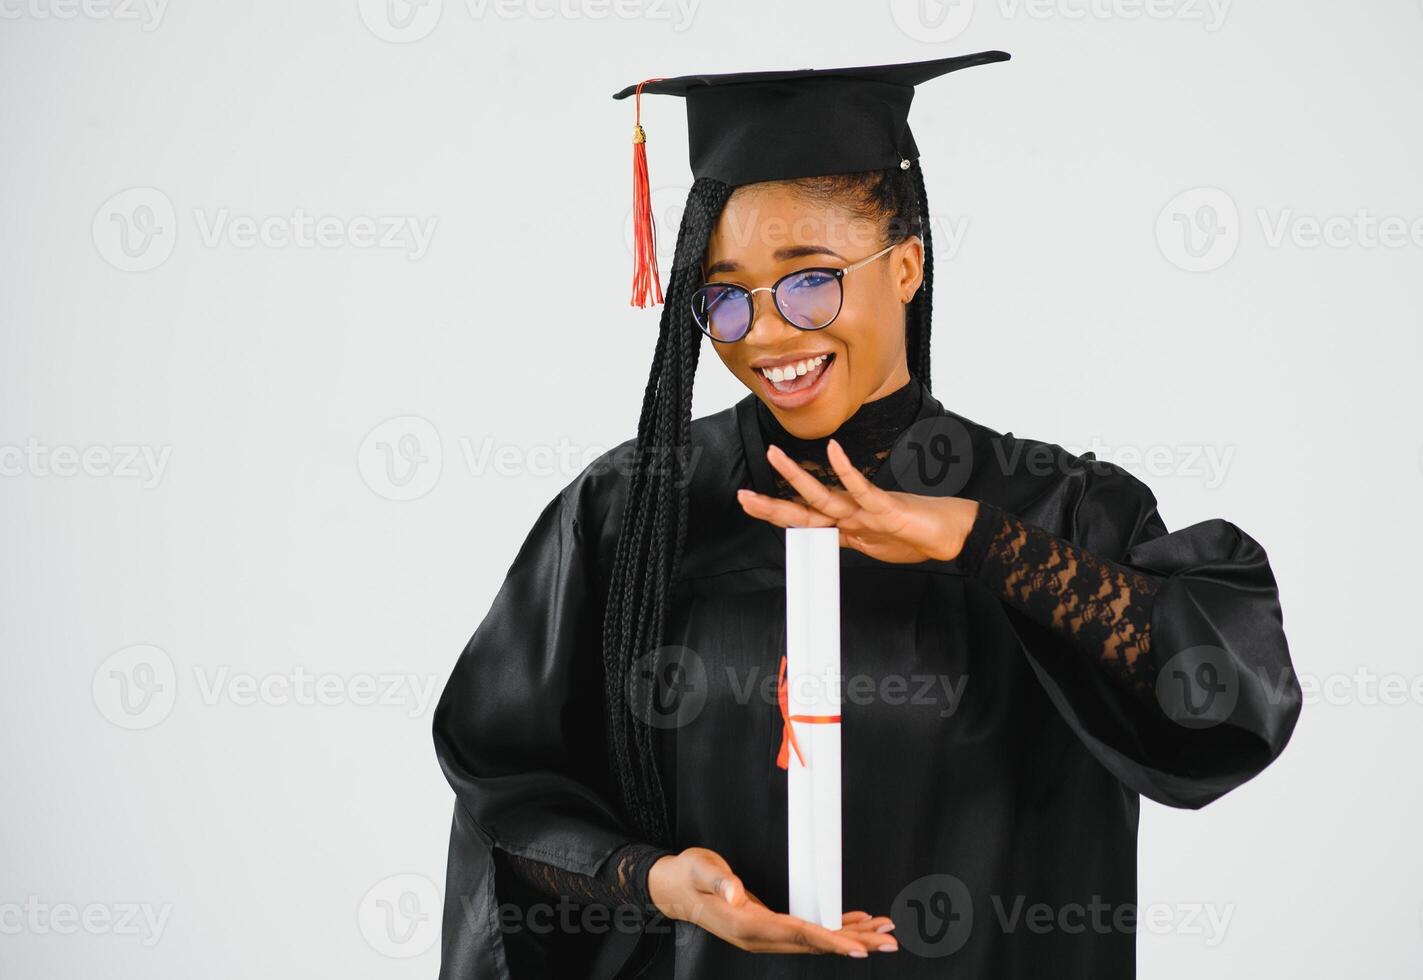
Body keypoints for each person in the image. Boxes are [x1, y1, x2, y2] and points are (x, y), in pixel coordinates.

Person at [431, 51, 1302, 979]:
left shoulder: (1055, 509)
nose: (766, 332)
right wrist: (650, 881)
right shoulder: (633, 514)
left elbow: (1231, 691)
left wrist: (976, 540)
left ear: (908, 266)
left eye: (812, 279)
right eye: (725, 298)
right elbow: (505, 792)